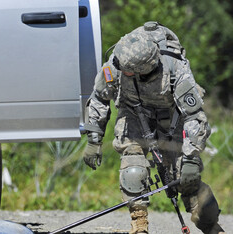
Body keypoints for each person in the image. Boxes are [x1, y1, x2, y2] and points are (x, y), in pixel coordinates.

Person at [82, 21, 225, 234]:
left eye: (125, 69)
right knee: (133, 169)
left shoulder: (176, 69)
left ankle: (212, 226)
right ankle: (139, 224)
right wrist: (94, 138)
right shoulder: (116, 64)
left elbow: (195, 116)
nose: (118, 68)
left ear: (140, 71)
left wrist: (191, 158)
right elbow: (99, 98)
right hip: (133, 114)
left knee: (186, 179)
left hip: (171, 118)